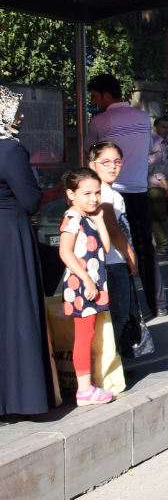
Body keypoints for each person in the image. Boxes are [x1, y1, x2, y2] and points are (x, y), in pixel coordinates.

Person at [86, 74, 168, 317]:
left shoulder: (100, 121)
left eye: (95, 97)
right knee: (145, 247)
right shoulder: (143, 118)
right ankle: (158, 303)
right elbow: (148, 150)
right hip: (139, 191)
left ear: (106, 96)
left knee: (114, 252)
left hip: (111, 194)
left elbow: (90, 153)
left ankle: (129, 308)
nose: (94, 102)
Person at [0, 86, 58, 416]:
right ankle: (21, 397)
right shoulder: (11, 151)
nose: (20, 116)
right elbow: (31, 200)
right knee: (16, 311)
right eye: (15, 109)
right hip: (9, 235)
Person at [57, 166, 115, 406]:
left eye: (97, 193)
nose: (94, 198)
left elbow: (107, 248)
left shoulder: (88, 217)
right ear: (71, 194)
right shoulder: (72, 218)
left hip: (91, 285)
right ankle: (84, 390)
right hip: (83, 287)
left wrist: (100, 221)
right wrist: (87, 279)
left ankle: (86, 387)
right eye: (87, 193)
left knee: (87, 334)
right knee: (85, 336)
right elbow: (65, 252)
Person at [88, 142, 139, 349]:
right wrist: (130, 255)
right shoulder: (104, 194)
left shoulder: (107, 191)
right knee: (118, 316)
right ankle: (111, 367)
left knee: (115, 315)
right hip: (113, 261)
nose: (112, 167)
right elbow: (112, 228)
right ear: (93, 165)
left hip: (112, 261)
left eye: (117, 162)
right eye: (105, 162)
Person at [148, 117, 168, 254]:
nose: (166, 130)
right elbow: (154, 166)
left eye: (167, 127)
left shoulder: (164, 142)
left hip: (162, 184)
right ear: (155, 128)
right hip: (155, 185)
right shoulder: (155, 143)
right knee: (157, 216)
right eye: (163, 127)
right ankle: (163, 245)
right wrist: (166, 184)